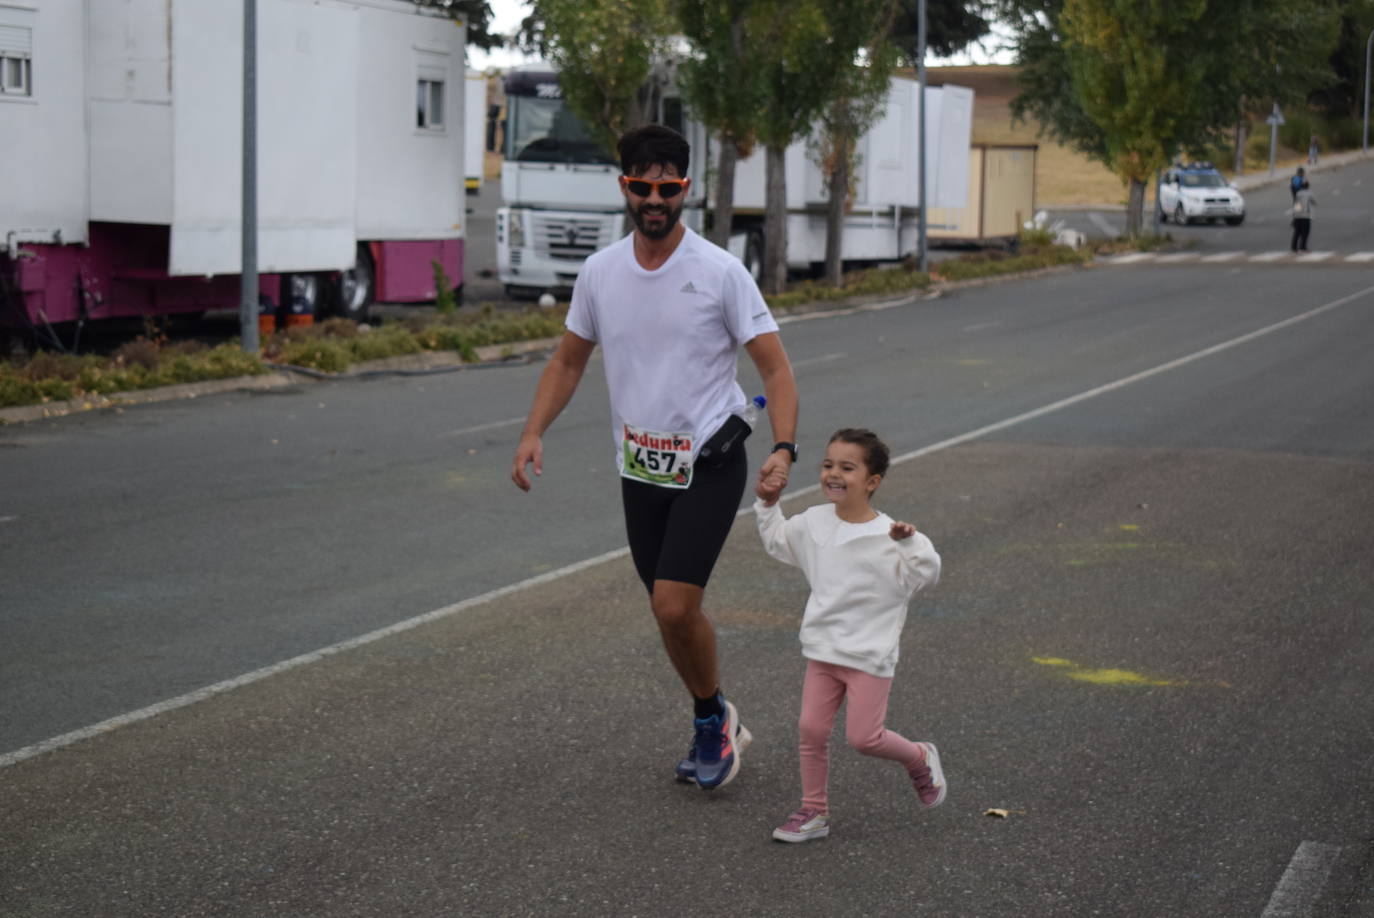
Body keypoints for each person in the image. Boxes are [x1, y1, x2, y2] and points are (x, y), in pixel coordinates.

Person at [511, 124, 799, 791]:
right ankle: (715, 713)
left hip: (710, 459)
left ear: (685, 190)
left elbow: (775, 370)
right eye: (641, 186)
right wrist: (533, 430)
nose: (654, 199)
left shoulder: (720, 273)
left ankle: (710, 723)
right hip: (640, 469)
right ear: (625, 188)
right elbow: (569, 358)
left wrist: (783, 447)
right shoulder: (600, 272)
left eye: (667, 187)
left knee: (673, 605)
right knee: (670, 611)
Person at [755, 428, 943, 843]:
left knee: (864, 738)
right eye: (827, 465)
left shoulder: (893, 535)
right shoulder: (813, 522)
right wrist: (768, 505)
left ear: (872, 482)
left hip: (869, 657)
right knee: (811, 731)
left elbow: (928, 574)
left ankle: (919, 757)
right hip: (823, 652)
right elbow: (779, 542)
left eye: (847, 467)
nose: (833, 474)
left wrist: (909, 545)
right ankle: (813, 812)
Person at [1291, 180, 1316, 252]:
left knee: (1297, 232)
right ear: (1308, 186)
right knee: (1305, 232)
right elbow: (1315, 202)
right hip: (1306, 215)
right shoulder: (1309, 193)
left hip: (1298, 215)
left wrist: (1294, 216)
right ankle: (1303, 246)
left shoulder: (1298, 193)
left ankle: (1294, 247)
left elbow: (1296, 204)